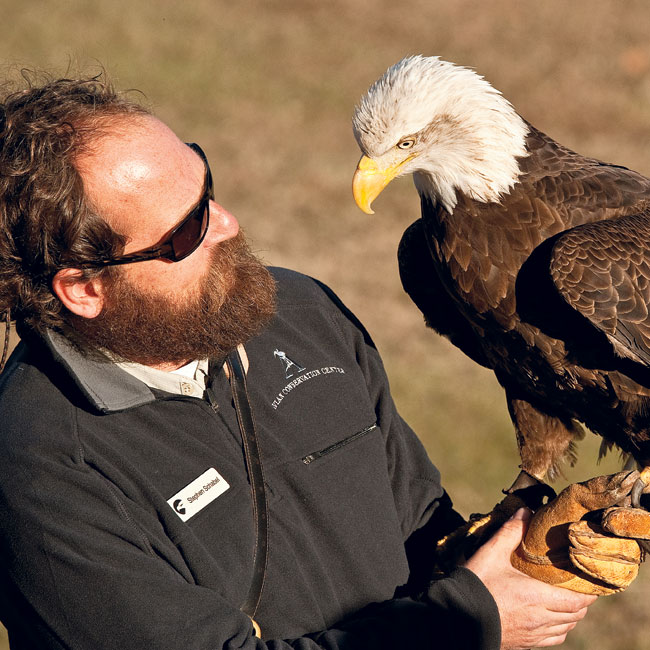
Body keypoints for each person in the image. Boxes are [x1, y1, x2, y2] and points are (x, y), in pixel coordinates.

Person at [0, 72, 596, 650]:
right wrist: (471, 622)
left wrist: (515, 557)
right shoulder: (42, 468)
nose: (227, 226)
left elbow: (415, 523)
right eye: (184, 234)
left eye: (206, 187)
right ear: (83, 288)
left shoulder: (298, 312)